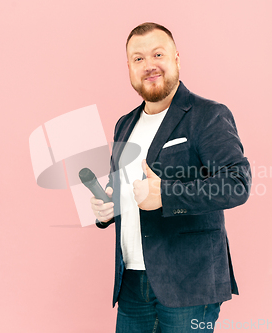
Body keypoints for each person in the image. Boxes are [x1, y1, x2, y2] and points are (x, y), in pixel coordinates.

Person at [90, 22, 251, 333]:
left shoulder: (208, 115)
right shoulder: (124, 125)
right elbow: (125, 191)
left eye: (158, 54)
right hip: (131, 284)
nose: (149, 65)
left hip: (189, 283)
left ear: (177, 58)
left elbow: (237, 183)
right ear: (129, 68)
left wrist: (166, 195)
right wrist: (106, 210)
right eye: (138, 59)